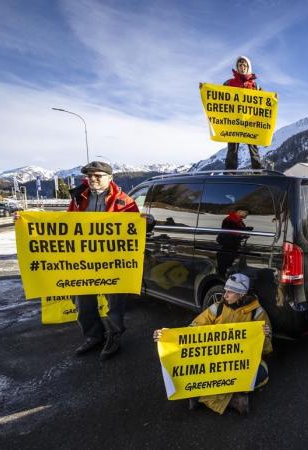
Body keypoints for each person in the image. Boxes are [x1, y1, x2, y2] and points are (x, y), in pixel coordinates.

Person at [153, 273, 272, 415]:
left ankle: (199, 396)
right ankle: (234, 400)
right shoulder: (217, 307)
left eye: (230, 292)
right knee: (191, 368)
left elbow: (266, 350)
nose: (225, 295)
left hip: (240, 362)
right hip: (216, 361)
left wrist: (264, 336)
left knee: (262, 373)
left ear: (241, 294)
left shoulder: (258, 313)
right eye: (225, 290)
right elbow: (193, 330)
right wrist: (168, 336)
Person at [68, 160, 139, 360]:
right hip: (84, 259)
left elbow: (134, 229)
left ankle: (114, 335)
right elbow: (65, 225)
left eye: (98, 176)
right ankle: (94, 336)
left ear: (110, 178)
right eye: (89, 176)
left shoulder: (125, 201)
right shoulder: (77, 199)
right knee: (81, 298)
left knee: (115, 301)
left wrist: (145, 223)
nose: (92, 179)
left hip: (112, 260)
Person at [224, 55, 264, 170]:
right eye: (240, 65)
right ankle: (230, 171)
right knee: (233, 146)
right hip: (234, 119)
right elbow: (220, 98)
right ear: (237, 67)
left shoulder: (254, 85)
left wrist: (269, 98)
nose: (242, 67)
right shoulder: (229, 83)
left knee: (253, 146)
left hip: (249, 120)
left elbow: (261, 102)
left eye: (244, 65)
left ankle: (257, 170)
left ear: (248, 67)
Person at [216, 208, 253, 276]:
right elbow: (230, 231)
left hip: (232, 246)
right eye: (246, 213)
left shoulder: (238, 220)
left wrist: (244, 233)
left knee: (228, 265)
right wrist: (244, 230)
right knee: (223, 267)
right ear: (239, 212)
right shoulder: (230, 219)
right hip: (227, 246)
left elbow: (236, 231)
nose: (247, 214)